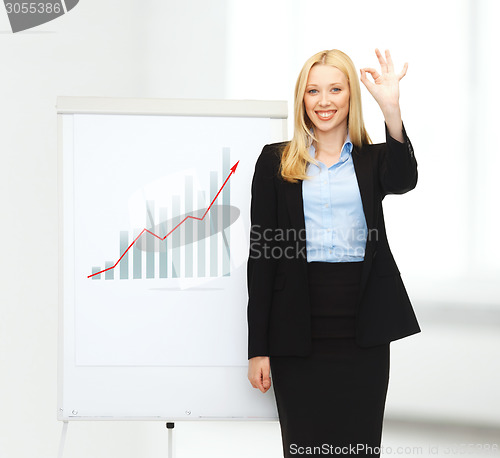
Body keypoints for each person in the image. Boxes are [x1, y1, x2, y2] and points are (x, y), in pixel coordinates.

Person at [246, 48, 421, 457]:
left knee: (358, 448)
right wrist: (258, 347)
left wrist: (391, 110)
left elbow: (404, 179)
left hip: (363, 326)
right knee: (305, 447)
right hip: (297, 325)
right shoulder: (275, 161)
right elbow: (262, 257)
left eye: (335, 89)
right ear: (301, 99)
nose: (324, 101)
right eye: (313, 91)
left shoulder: (372, 159)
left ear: (350, 97)